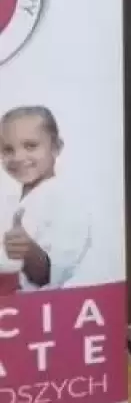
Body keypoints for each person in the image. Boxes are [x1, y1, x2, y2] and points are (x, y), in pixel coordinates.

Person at [0, 105, 92, 295]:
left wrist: (28, 252)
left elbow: (51, 274)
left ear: (56, 147)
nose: (18, 157)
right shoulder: (11, 201)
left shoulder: (66, 200)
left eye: (30, 146)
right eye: (8, 149)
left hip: (39, 307)